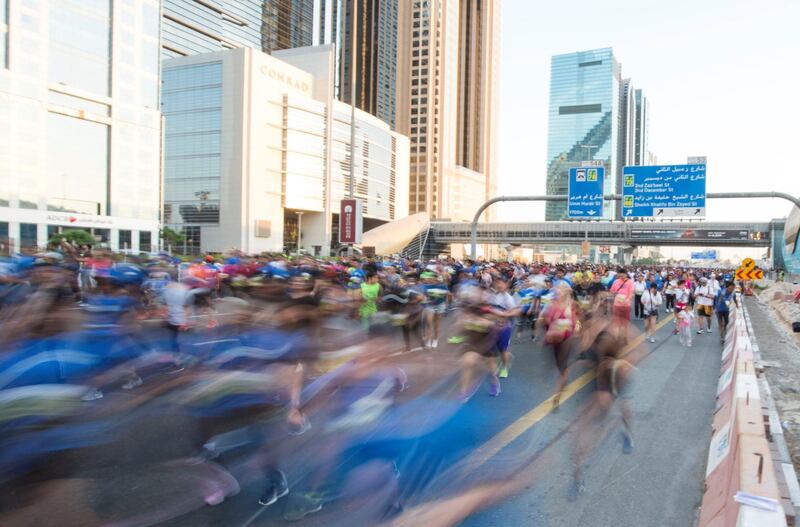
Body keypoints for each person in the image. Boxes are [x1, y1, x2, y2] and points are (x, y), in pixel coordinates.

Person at [609, 268, 634, 342]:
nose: (621, 277)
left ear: (626, 274)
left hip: (626, 306)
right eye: (620, 275)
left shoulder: (630, 282)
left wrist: (627, 299)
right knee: (616, 323)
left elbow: (631, 293)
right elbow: (612, 291)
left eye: (623, 275)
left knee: (625, 324)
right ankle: (616, 339)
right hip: (617, 305)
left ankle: (625, 337)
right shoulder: (616, 281)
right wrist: (614, 293)